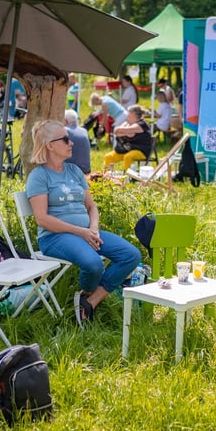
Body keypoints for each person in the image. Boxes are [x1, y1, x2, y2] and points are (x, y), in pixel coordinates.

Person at [26, 119, 141, 329]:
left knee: (131, 255)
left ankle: (90, 301)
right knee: (93, 264)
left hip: (87, 232)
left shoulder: (74, 171)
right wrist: (81, 232)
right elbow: (41, 219)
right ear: (50, 145)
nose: (72, 143)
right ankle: (89, 297)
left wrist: (93, 229)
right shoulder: (38, 176)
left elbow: (91, 207)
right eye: (65, 139)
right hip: (55, 237)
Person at [103, 105, 152, 171]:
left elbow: (126, 130)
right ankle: (107, 176)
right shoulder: (127, 123)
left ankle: (129, 177)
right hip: (126, 149)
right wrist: (126, 132)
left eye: (129, 114)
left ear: (134, 114)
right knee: (108, 157)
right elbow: (116, 131)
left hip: (141, 150)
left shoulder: (142, 124)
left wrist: (123, 131)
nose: (127, 116)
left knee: (128, 157)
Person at [64, 109, 91, 174]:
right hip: (86, 170)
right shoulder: (84, 131)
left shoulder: (64, 131)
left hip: (71, 172)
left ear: (65, 121)